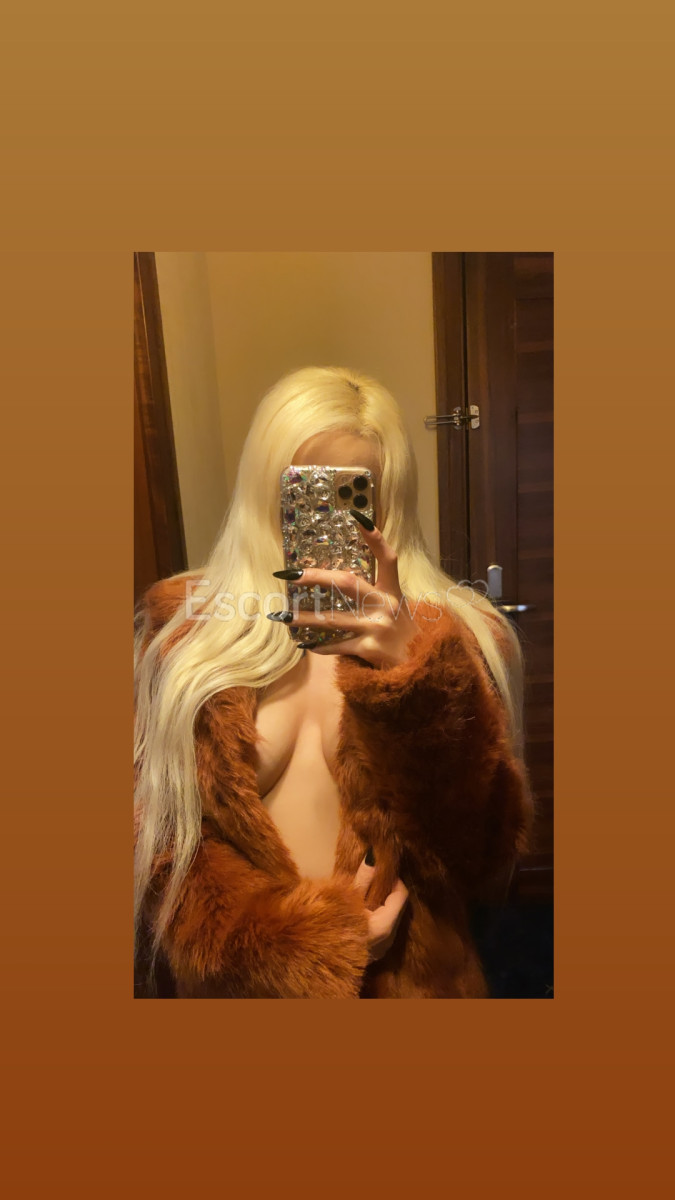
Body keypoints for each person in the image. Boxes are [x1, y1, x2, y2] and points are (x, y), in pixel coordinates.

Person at [134, 366, 533, 998]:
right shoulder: (185, 636)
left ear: (389, 501)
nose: (325, 519)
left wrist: (416, 682)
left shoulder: (457, 638)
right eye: (303, 491)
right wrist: (306, 946)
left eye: (350, 494)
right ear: (265, 489)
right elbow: (158, 855)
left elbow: (481, 861)